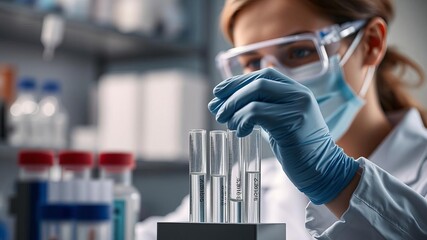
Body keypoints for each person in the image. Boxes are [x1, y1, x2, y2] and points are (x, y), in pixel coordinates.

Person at [137, 0, 427, 239]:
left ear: (372, 44)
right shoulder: (244, 183)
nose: (271, 77)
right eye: (252, 62)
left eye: (299, 51)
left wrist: (337, 181)